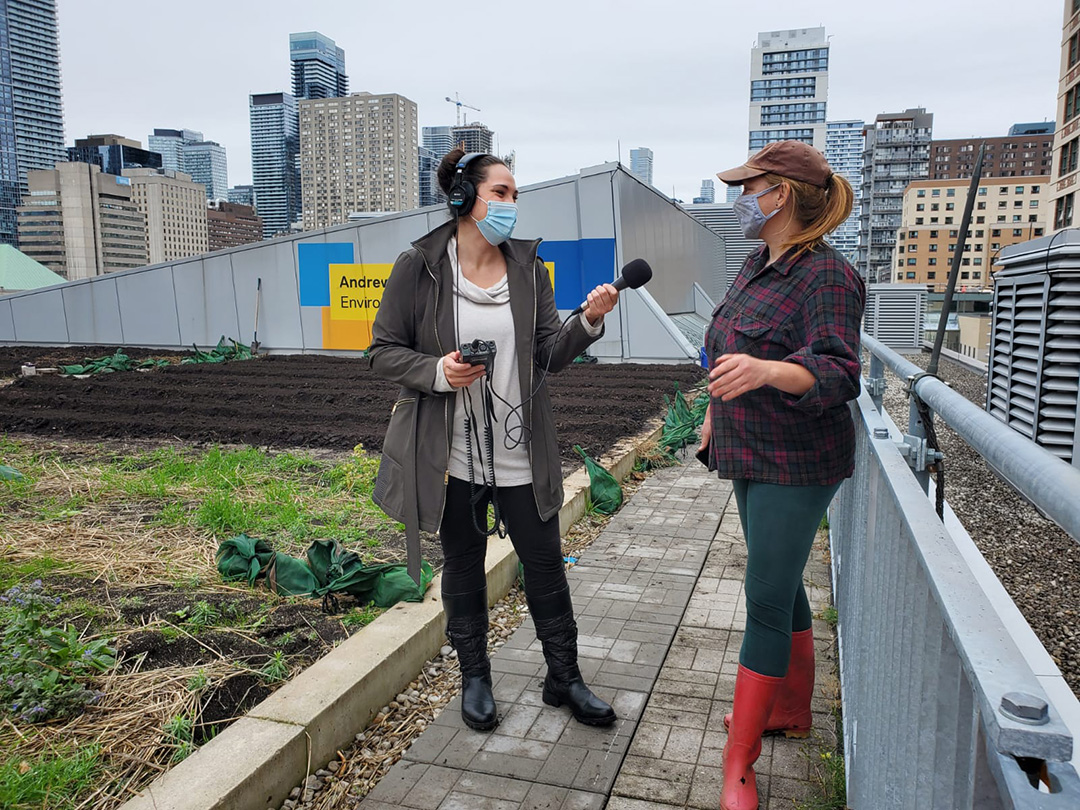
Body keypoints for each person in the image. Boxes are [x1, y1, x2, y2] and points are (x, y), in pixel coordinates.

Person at [367, 149, 620, 731]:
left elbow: (549, 356)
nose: (510, 204)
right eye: (501, 192)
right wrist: (437, 371)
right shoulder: (421, 266)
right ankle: (475, 677)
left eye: (514, 195)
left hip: (521, 450)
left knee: (546, 564)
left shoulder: (531, 270)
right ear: (464, 199)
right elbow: (381, 351)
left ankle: (564, 676)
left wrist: (588, 322)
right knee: (461, 563)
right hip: (450, 454)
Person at [701, 141, 865, 810]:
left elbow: (838, 370)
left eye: (751, 186)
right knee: (782, 579)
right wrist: (715, 407)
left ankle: (740, 762)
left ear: (784, 195)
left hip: (798, 459)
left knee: (764, 596)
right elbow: (724, 344)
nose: (742, 197)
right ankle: (789, 709)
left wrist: (768, 371)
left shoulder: (827, 276)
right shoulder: (756, 264)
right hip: (746, 447)